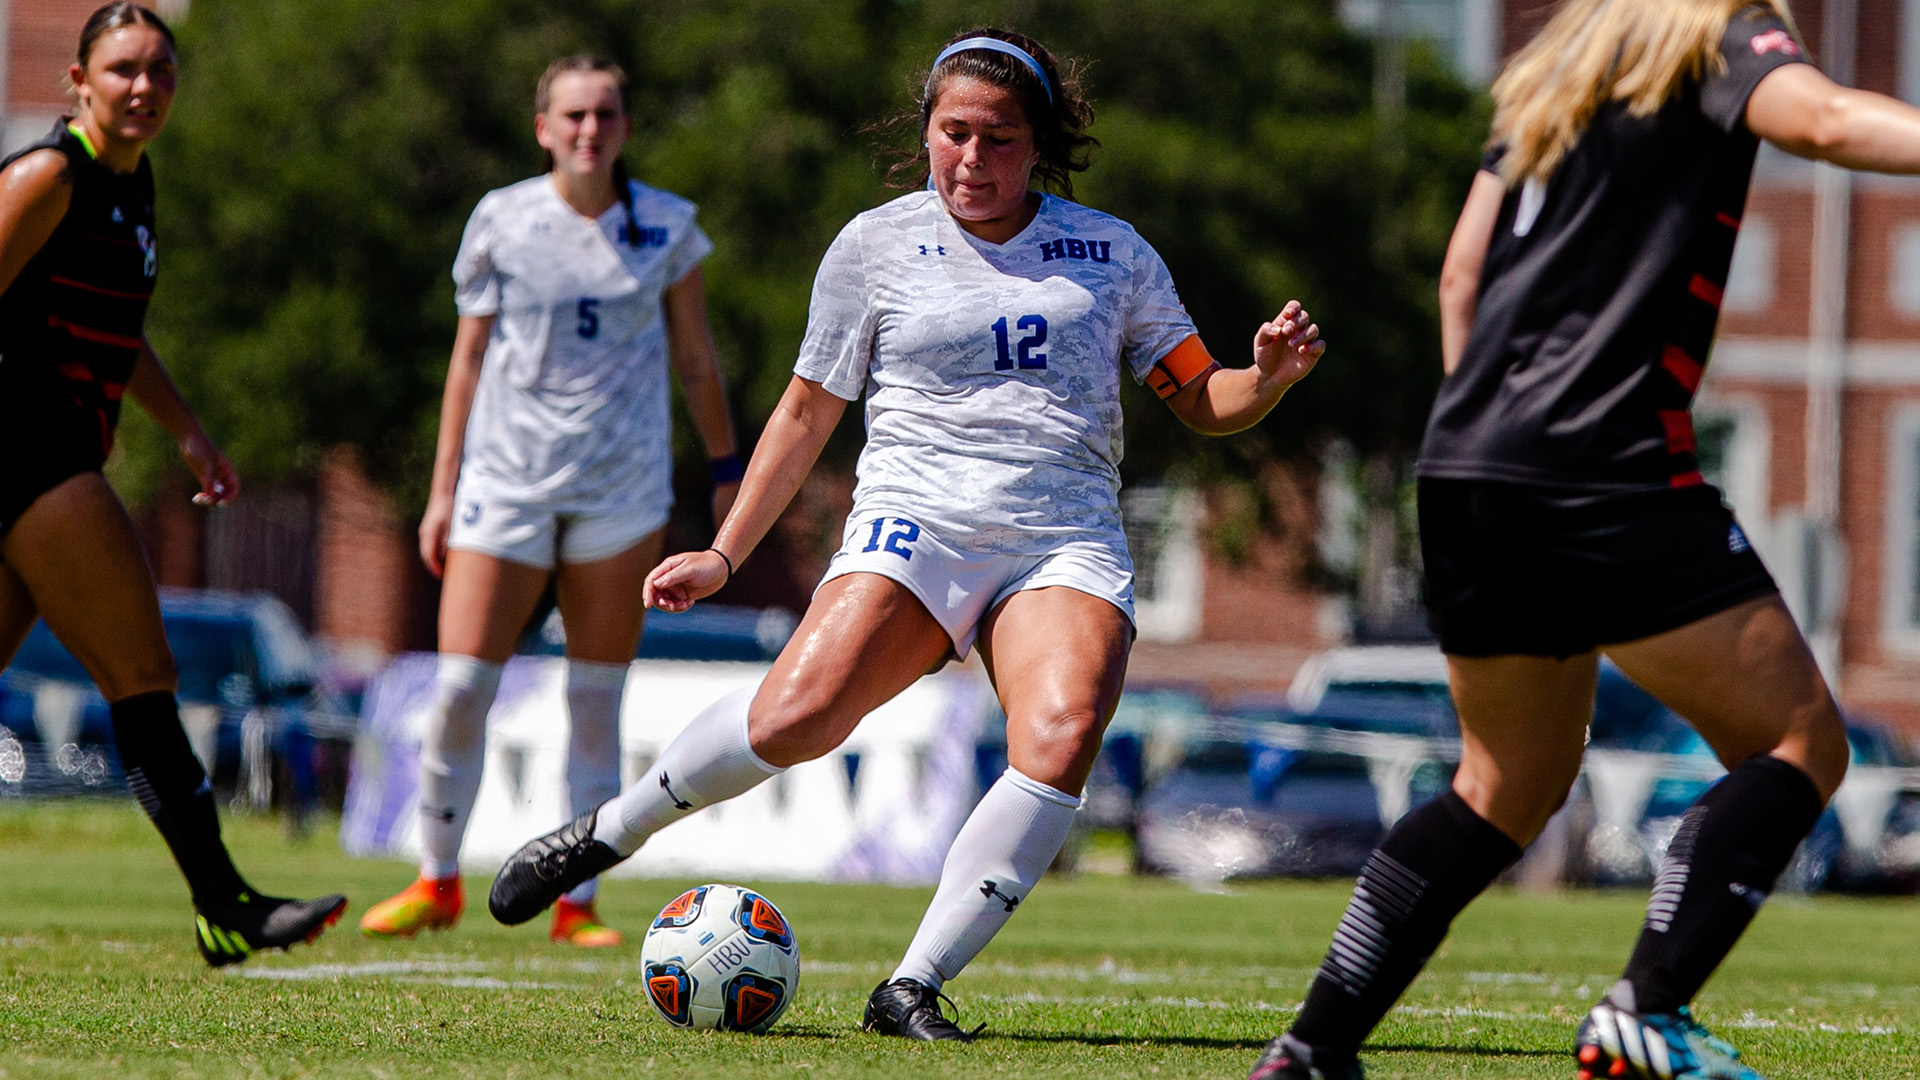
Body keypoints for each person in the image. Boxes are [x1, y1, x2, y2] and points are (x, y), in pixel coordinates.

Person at [488, 27, 1326, 1037]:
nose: (972, 160)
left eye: (1000, 141)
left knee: (1061, 735)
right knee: (795, 719)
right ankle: (610, 832)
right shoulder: (875, 245)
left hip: (1060, 538)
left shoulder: (1111, 252)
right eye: (953, 135)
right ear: (926, 134)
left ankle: (912, 986)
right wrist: (724, 552)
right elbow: (804, 415)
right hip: (914, 522)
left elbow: (1202, 398)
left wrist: (1267, 376)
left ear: (1041, 145)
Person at [1248, 2, 1920, 1078]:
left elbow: (1461, 271)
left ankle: (1311, 1049)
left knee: (1502, 786)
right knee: (1797, 744)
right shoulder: (1717, 34)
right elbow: (1829, 120)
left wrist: (1489, 435)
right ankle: (1647, 1009)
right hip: (1600, 459)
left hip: (1467, 458)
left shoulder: (1561, 71)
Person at [358, 55, 740, 948]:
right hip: (505, 484)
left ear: (625, 128)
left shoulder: (669, 228)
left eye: (605, 114)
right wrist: (442, 488)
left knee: (595, 697)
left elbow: (696, 358)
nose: (589, 130)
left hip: (622, 490)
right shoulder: (501, 218)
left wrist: (727, 469)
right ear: (543, 128)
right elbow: (466, 360)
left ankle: (577, 902)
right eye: (572, 115)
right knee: (459, 687)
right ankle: (436, 879)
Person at [0, 2, 347, 967]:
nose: (144, 86)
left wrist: (187, 430)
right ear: (79, 81)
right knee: (143, 676)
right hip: (31, 457)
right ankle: (224, 901)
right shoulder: (48, 176)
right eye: (122, 69)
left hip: (53, 453)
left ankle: (221, 902)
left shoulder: (130, 184)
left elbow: (116, 332)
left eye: (161, 70)